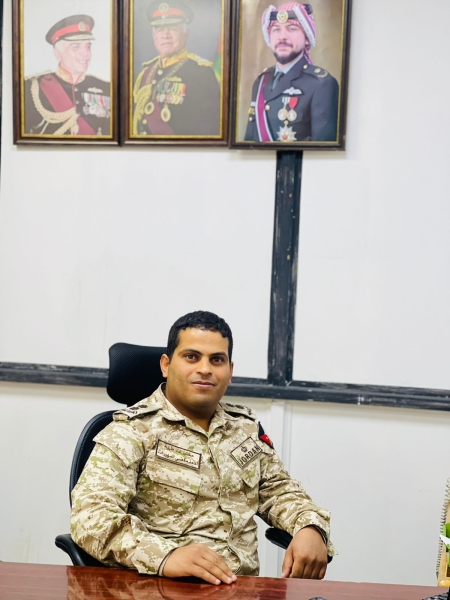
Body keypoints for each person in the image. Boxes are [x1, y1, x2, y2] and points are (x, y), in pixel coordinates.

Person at [71, 311, 335, 583]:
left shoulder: (244, 430)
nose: (205, 369)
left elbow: (281, 493)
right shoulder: (131, 431)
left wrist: (310, 527)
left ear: (230, 371)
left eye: (217, 360)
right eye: (191, 357)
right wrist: (165, 556)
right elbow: (91, 518)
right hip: (160, 587)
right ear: (166, 365)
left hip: (242, 590)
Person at [244, 2, 339, 143]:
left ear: (307, 38)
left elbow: (322, 151)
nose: (282, 36)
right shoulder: (261, 81)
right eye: (276, 29)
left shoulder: (321, 84)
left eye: (292, 28)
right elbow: (249, 144)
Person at [133, 1, 220, 136]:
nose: (165, 35)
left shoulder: (202, 73)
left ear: (186, 34)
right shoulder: (146, 73)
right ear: (154, 36)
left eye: (173, 28)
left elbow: (209, 129)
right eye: (160, 30)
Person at [24, 15, 111, 136]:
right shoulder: (31, 88)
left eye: (88, 46)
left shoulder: (106, 87)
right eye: (76, 47)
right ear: (57, 53)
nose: (85, 53)